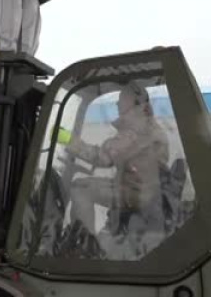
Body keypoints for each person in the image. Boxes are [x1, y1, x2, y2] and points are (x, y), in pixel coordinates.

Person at [65, 82, 170, 236]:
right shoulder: (148, 126)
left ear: (132, 103)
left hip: (137, 193)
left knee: (80, 188)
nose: (117, 103)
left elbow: (103, 158)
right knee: (83, 184)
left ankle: (84, 241)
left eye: (121, 99)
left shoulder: (135, 128)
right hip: (142, 189)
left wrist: (68, 141)